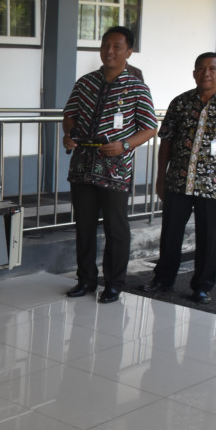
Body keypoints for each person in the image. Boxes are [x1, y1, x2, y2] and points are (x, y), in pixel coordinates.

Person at [142, 52, 216, 304]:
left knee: (209, 239)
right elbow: (166, 142)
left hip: (213, 186)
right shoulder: (180, 103)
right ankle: (163, 280)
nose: (206, 73)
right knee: (170, 235)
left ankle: (202, 286)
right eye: (201, 68)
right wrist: (161, 178)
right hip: (178, 182)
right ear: (194, 73)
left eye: (212, 69)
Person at [62, 25, 157, 304]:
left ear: (129, 51)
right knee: (84, 226)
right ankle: (86, 279)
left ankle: (114, 283)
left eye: (117, 46)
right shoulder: (85, 83)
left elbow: (150, 128)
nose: (110, 51)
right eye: (106, 45)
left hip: (115, 169)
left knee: (116, 229)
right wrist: (69, 134)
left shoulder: (137, 87)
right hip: (82, 167)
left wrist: (125, 145)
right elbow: (70, 115)